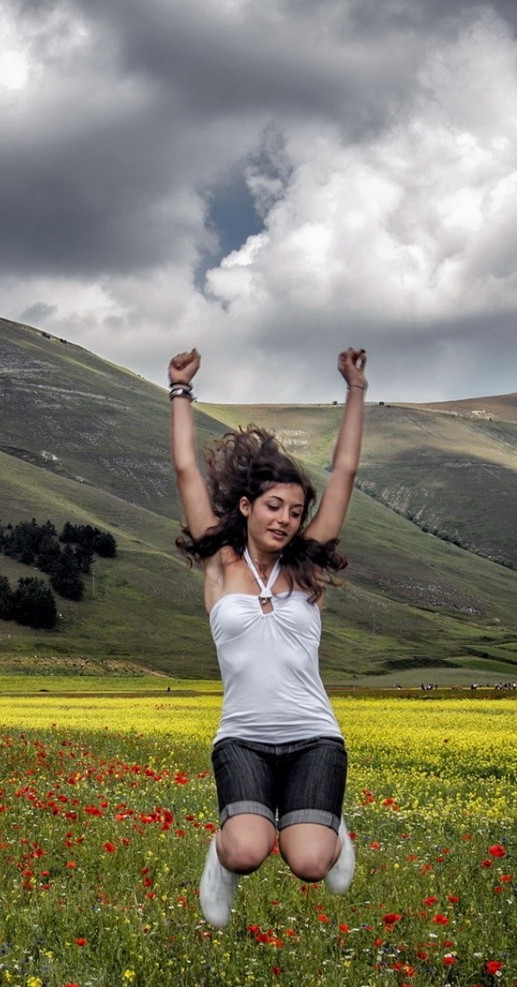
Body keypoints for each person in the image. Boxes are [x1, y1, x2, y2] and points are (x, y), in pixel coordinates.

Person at [168, 346, 369, 928]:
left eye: (295, 510)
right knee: (247, 851)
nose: (284, 518)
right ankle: (221, 859)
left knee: (309, 865)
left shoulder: (306, 566)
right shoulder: (220, 562)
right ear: (247, 505)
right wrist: (179, 391)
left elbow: (346, 473)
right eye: (273, 506)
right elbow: (185, 470)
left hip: (314, 738)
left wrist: (355, 388)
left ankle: (331, 831)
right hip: (244, 739)